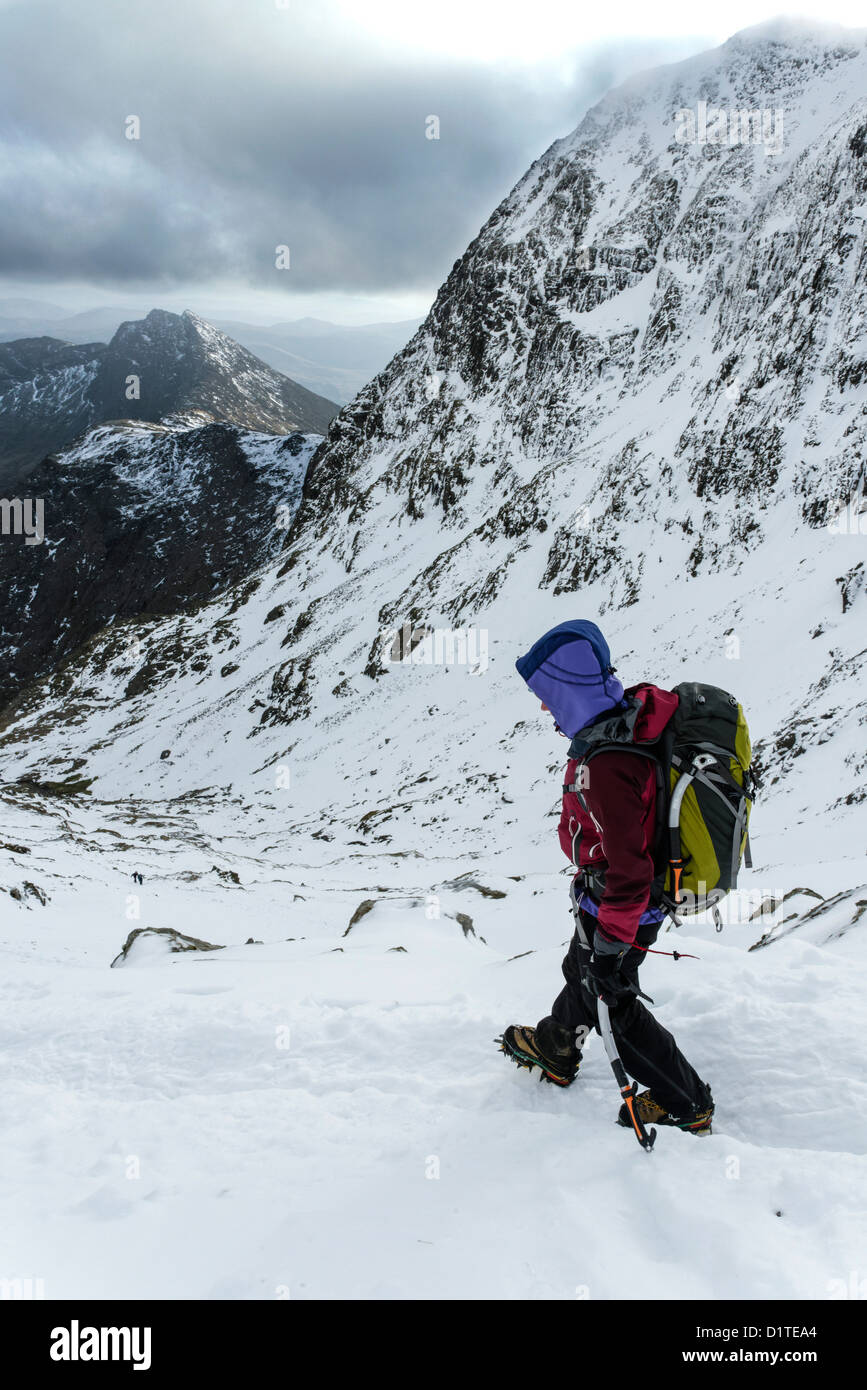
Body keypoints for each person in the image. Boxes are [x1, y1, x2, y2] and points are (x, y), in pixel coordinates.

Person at [499, 619, 714, 1135]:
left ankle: (687, 1102)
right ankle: (557, 1045)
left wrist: (614, 942)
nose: (545, 708)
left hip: (627, 907)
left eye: (548, 695)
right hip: (608, 900)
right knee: (582, 971)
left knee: (611, 1000)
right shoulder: (615, 729)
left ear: (568, 689)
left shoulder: (612, 759)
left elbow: (630, 868)